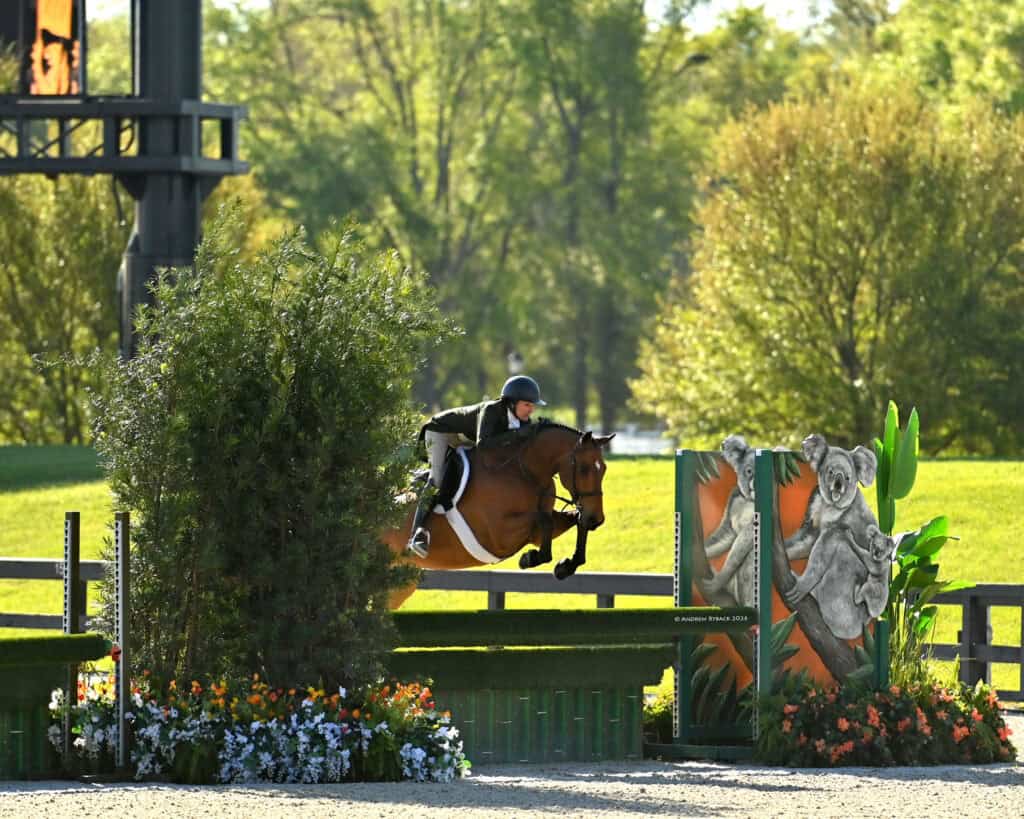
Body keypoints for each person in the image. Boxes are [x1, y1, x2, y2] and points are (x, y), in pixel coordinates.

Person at [406, 375, 546, 557]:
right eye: (527, 404)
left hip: (464, 438)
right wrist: (519, 434)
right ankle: (417, 534)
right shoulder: (491, 411)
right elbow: (485, 445)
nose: (531, 409)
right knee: (437, 480)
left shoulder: (522, 422)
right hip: (441, 432)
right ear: (512, 403)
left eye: (532, 405)